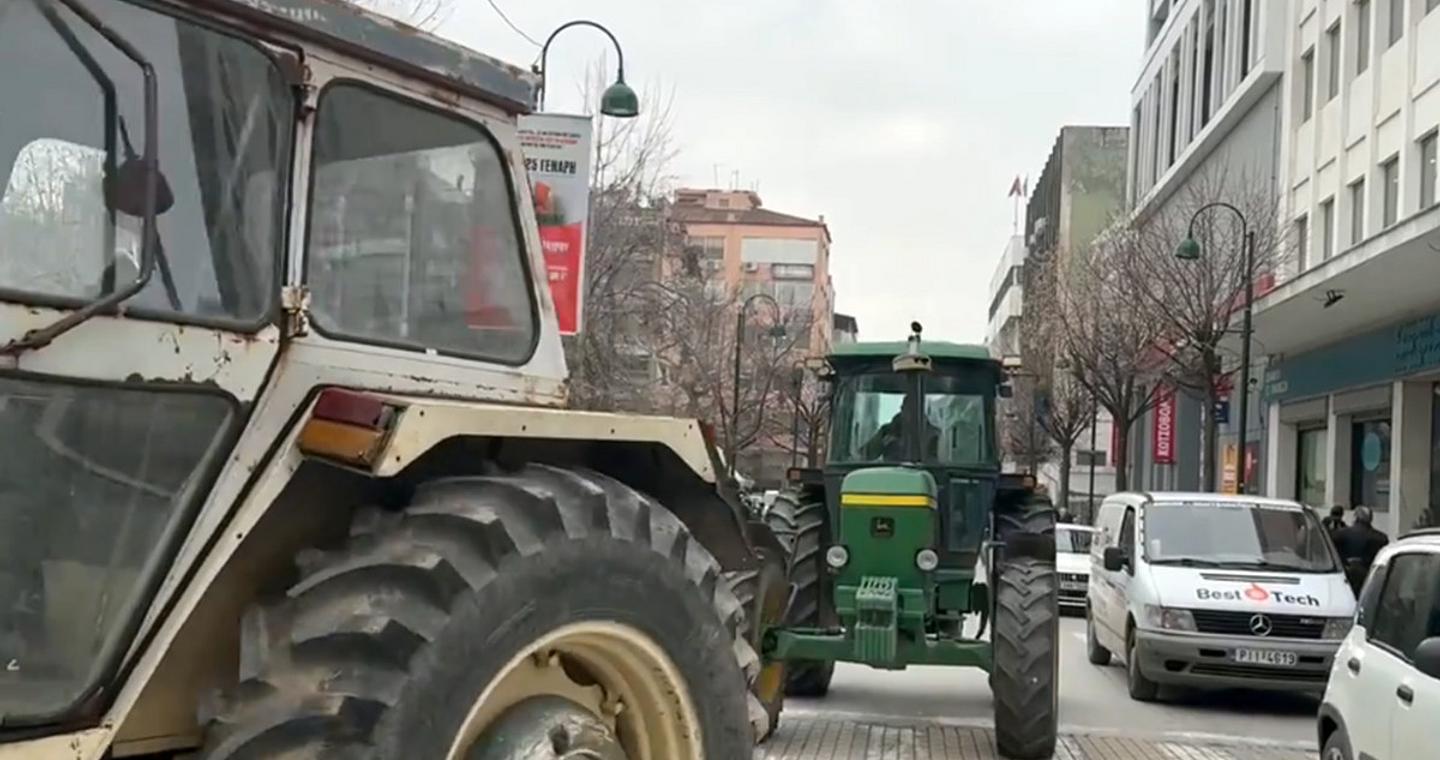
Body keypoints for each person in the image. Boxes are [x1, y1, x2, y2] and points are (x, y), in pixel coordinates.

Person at [1331, 506, 1389, 597]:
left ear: (1355, 517)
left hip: (1346, 577)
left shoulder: (1340, 534)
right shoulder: (1381, 538)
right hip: (1369, 578)